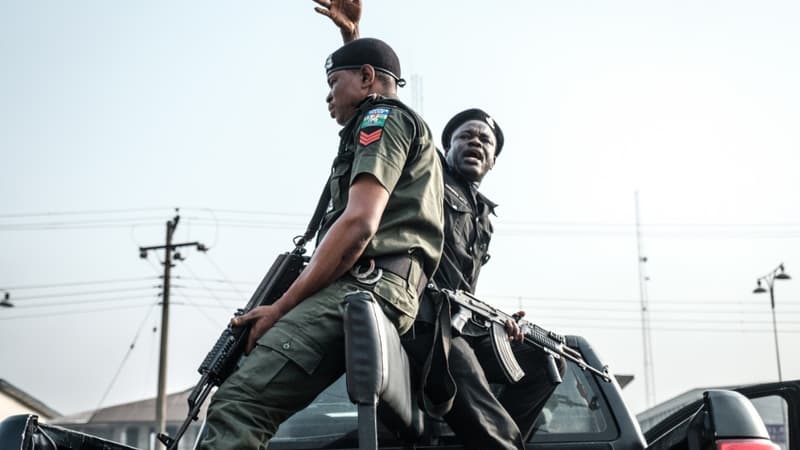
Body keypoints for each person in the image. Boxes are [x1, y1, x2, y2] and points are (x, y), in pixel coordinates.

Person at [314, 2, 564, 449]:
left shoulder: (483, 215)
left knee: (550, 358)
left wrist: (499, 321)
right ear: (444, 147)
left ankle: (447, 435)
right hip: (423, 316)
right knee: (492, 431)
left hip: (462, 319)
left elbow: (461, 280)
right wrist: (353, 42)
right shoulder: (428, 170)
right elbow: (381, 104)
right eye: (464, 136)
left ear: (493, 159)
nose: (474, 143)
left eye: (485, 141)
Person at [198, 36, 444, 450]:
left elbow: (358, 225)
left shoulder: (380, 119)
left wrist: (279, 307)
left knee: (240, 403)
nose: (328, 97)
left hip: (364, 285)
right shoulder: (400, 126)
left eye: (333, 83)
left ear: (367, 79)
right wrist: (353, 37)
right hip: (385, 288)